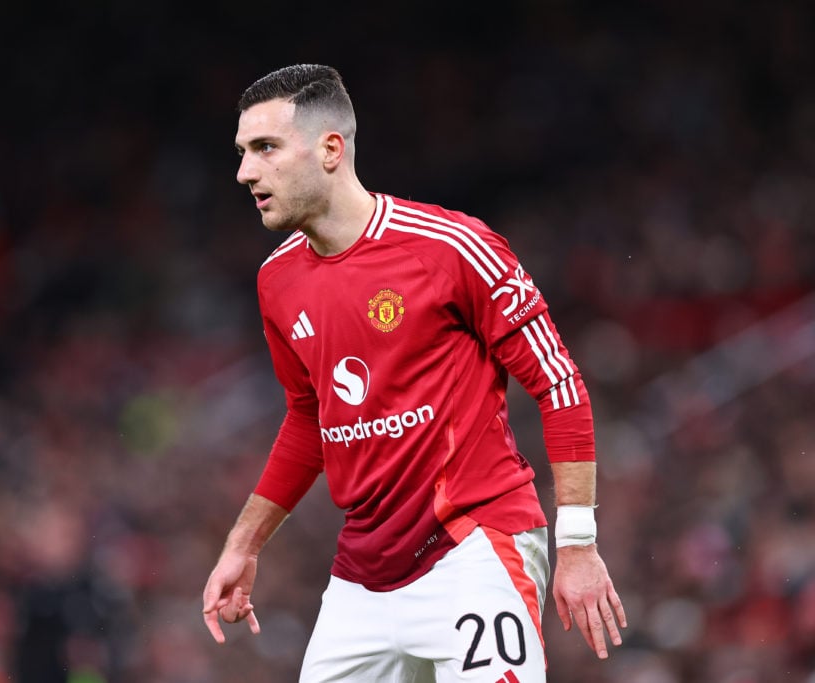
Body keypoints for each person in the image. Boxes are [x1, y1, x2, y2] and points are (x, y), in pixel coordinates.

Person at [202, 64, 627, 683]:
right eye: (241, 152)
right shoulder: (277, 280)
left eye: (265, 148)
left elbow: (558, 385)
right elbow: (308, 420)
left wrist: (579, 544)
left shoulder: (451, 247)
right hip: (362, 574)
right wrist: (244, 544)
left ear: (330, 149)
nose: (245, 172)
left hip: (475, 550)